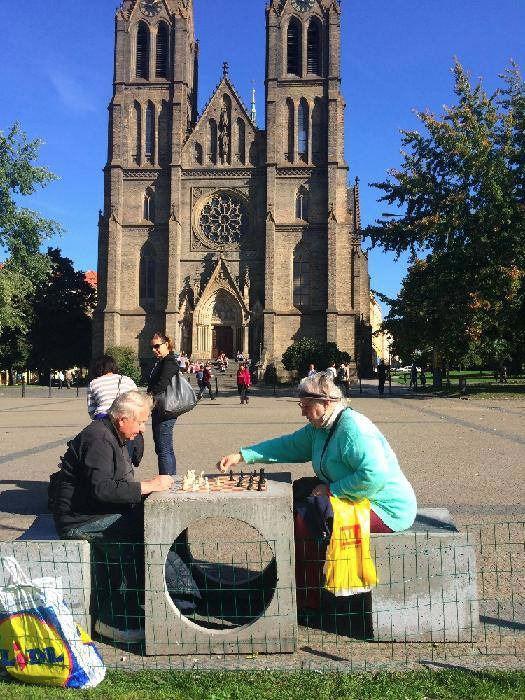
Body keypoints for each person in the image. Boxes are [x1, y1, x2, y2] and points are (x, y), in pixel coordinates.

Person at [217, 372, 417, 608]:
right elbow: (288, 446)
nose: (302, 412)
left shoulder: (353, 429)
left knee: (304, 519)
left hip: (384, 508)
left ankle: (306, 599)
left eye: (306, 405)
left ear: (326, 402)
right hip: (357, 498)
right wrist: (243, 455)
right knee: (298, 500)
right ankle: (287, 582)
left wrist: (332, 490)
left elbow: (374, 476)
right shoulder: (320, 427)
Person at [53, 391, 173, 642]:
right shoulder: (98, 438)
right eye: (140, 422)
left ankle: (174, 598)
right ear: (122, 420)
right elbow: (103, 490)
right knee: (137, 536)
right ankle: (113, 619)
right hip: (80, 520)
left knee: (160, 522)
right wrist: (147, 486)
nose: (142, 429)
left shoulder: (111, 434)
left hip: (94, 511)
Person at [87, 354, 143, 466]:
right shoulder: (128, 380)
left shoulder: (94, 383)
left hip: (103, 421)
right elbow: (138, 402)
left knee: (105, 456)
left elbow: (91, 410)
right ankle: (127, 477)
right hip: (125, 418)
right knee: (126, 455)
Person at [147, 333, 179, 476]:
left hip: (166, 409)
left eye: (157, 346)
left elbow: (163, 383)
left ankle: (166, 482)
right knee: (165, 448)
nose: (154, 349)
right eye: (152, 347)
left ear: (166, 344)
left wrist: (148, 396)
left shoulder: (169, 361)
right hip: (161, 409)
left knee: (163, 449)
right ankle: (170, 479)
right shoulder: (161, 361)